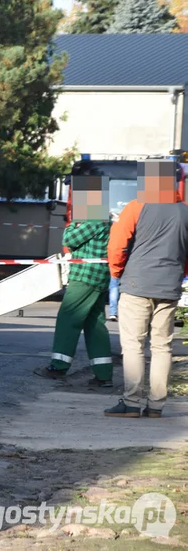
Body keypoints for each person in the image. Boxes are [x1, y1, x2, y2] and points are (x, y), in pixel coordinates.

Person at [104, 160, 188, 419]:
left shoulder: (136, 207)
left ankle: (131, 402)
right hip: (169, 286)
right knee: (162, 347)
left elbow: (117, 245)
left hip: (137, 284)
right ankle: (156, 406)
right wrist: (179, 275)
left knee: (133, 345)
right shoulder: (185, 212)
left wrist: (117, 273)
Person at [34, 175, 114, 388]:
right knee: (95, 325)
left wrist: (73, 225)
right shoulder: (103, 218)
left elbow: (68, 239)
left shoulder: (93, 219)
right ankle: (103, 374)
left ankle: (58, 367)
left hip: (85, 277)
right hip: (98, 277)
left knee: (67, 320)